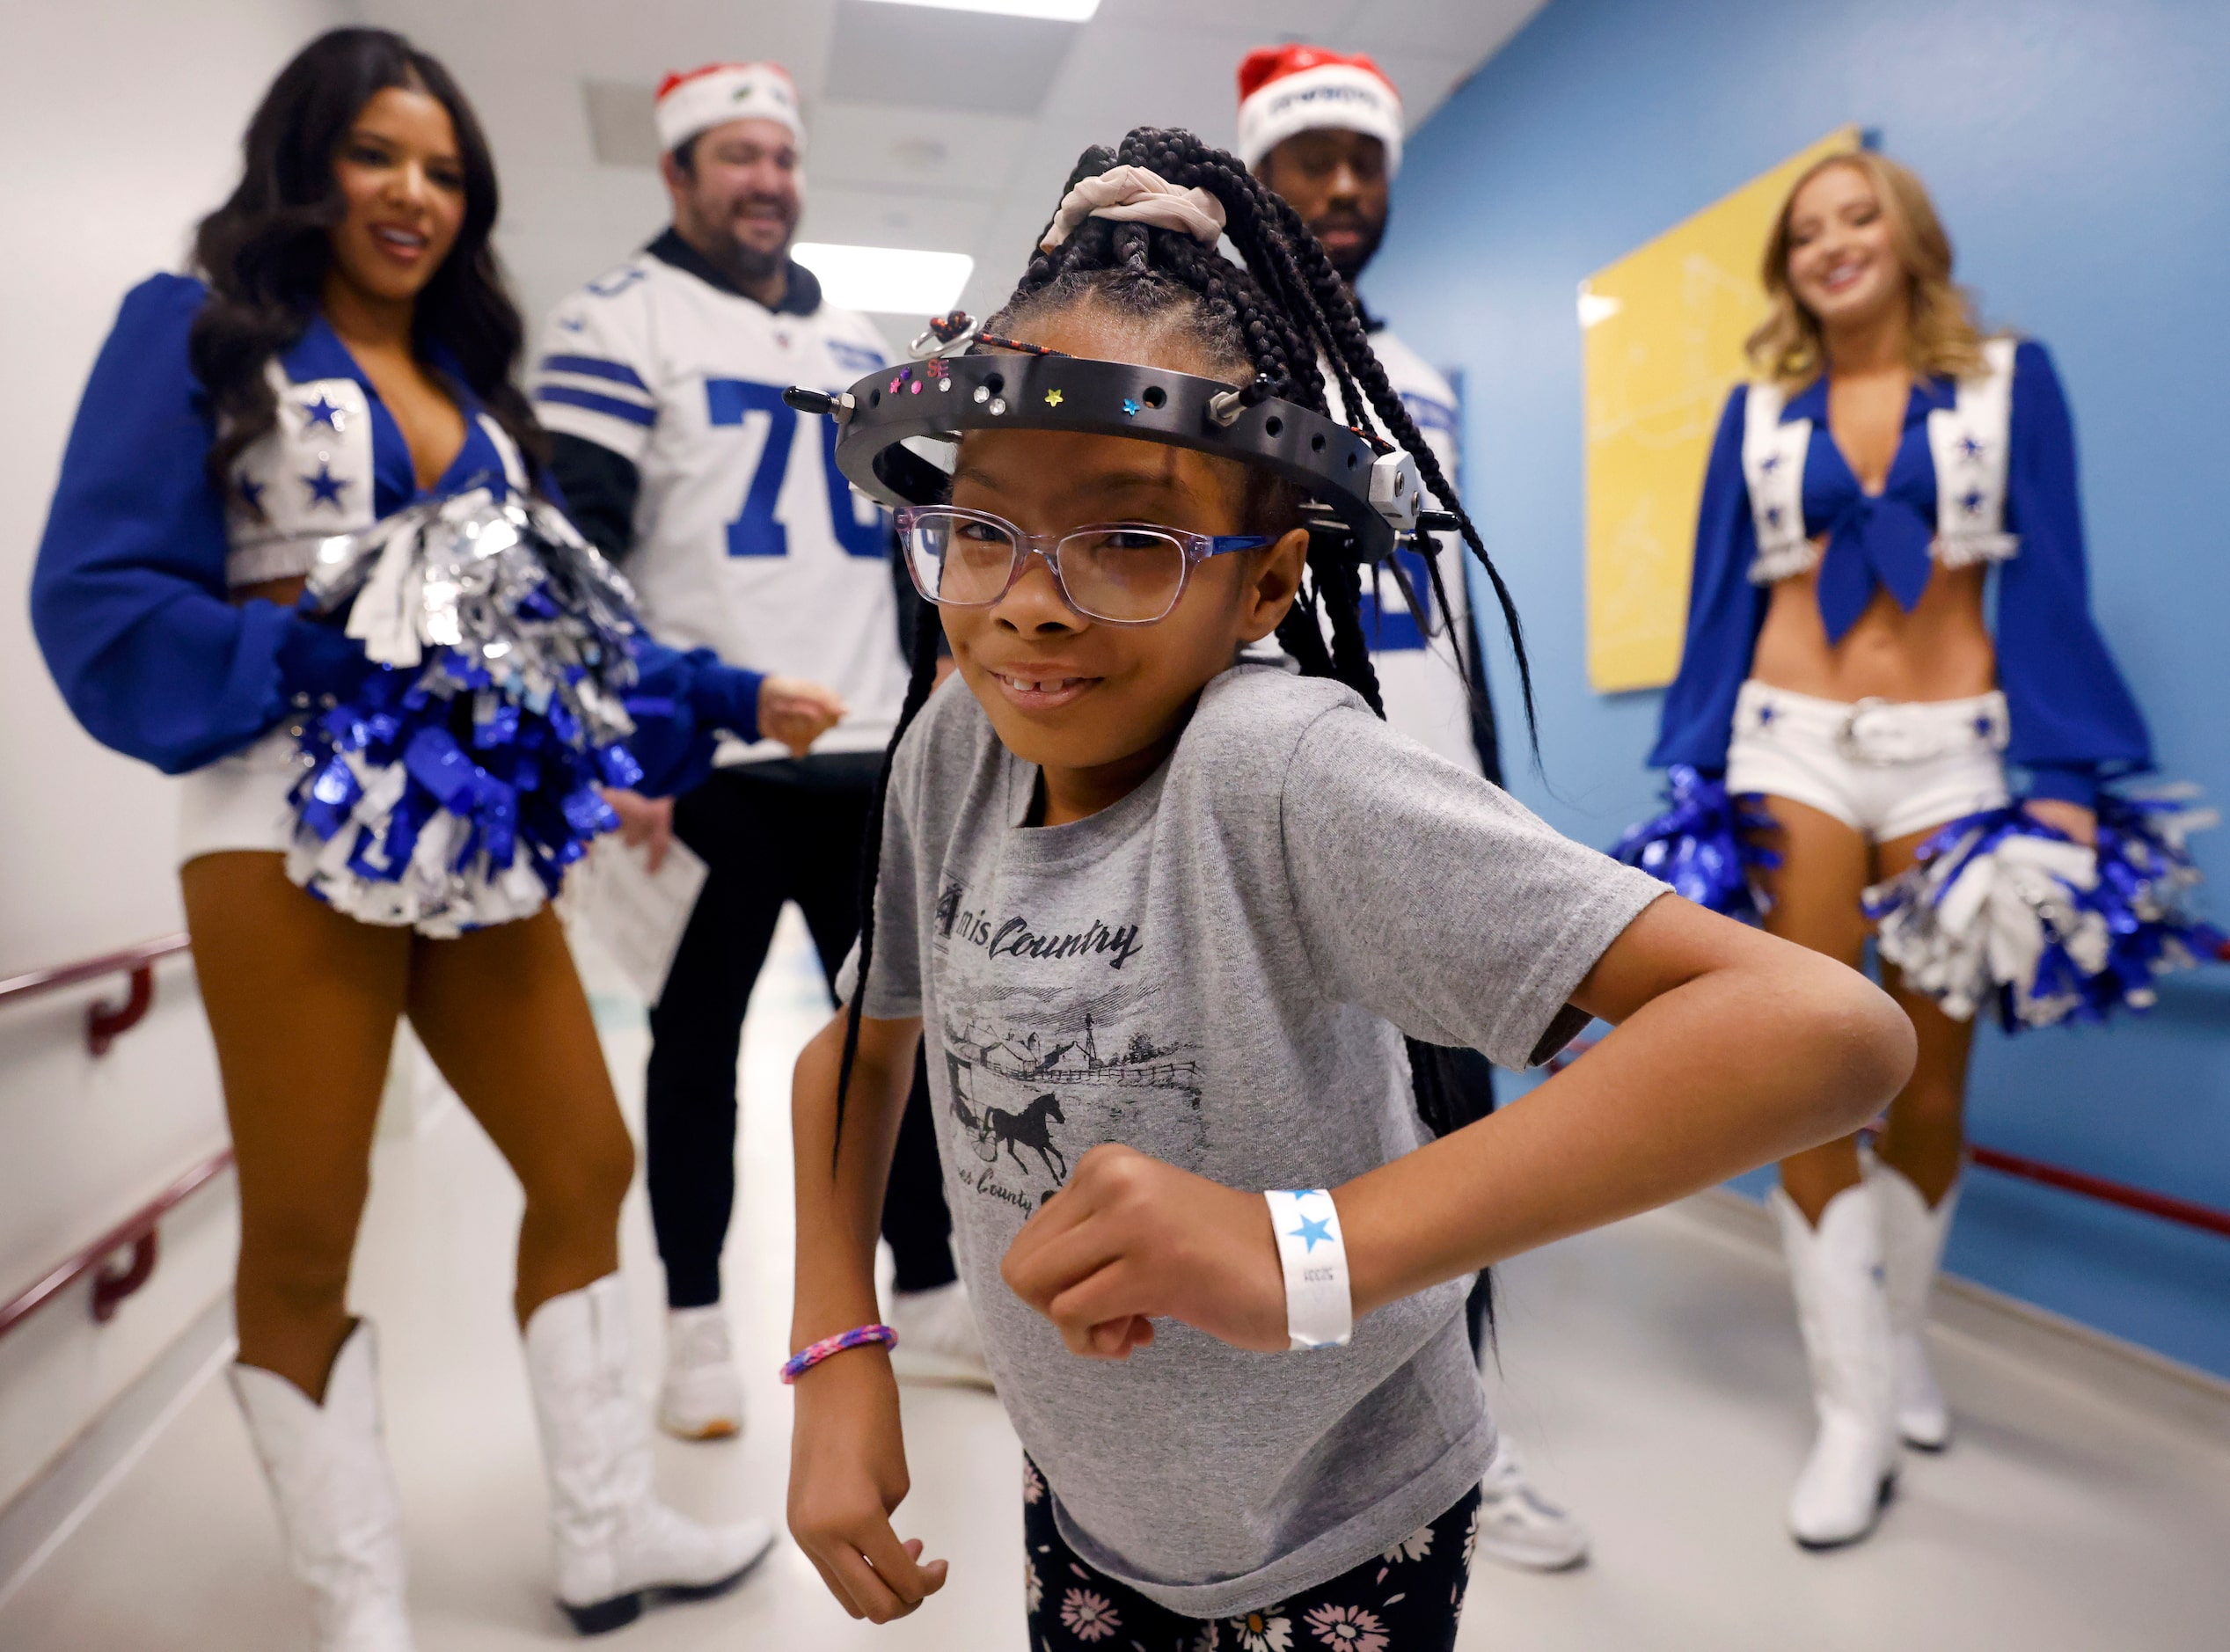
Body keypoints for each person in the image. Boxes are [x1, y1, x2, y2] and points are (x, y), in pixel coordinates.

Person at [782, 128, 1915, 1649]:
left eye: (1128, 537)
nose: (1030, 603)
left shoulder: (1285, 773)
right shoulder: (952, 754)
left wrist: (1301, 1250)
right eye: (982, 529)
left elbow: (1825, 1030)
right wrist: (835, 1344)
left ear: (1267, 581)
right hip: (1089, 1509)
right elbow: (854, 1053)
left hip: (1334, 1540)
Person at [29, 30, 777, 1645]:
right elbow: (93, 587)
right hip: (272, 830)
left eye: (444, 171)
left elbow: (564, 628)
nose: (415, 195)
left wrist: (715, 688)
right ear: (308, 162)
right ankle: (357, 1600)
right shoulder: (196, 333)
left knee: (586, 1157)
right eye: (379, 155)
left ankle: (600, 1535)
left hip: (481, 841)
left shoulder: (480, 401)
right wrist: (294, 648)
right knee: (307, 1227)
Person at [1647, 150, 2152, 1549]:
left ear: (1909, 234)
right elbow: (1711, 607)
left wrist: (2057, 775)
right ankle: (1851, 1409)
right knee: (1817, 1072)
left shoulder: (2009, 376)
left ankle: (1899, 1337)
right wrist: (1696, 794)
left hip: (1958, 748)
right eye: (1806, 231)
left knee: (1926, 1084)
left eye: (1856, 216)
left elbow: (2049, 568)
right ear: (1788, 268)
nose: (1832, 244)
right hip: (1787, 739)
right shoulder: (1755, 412)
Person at [534, 62, 988, 1436]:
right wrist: (616, 747)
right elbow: (574, 565)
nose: (766, 182)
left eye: (780, 158)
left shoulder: (859, 341)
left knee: (893, 1040)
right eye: (735, 157)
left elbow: (920, 557)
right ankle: (689, 1323)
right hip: (708, 766)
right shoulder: (612, 323)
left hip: (865, 757)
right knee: (693, 1048)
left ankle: (925, 1288)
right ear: (677, 174)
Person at [1239, 41, 1579, 1571]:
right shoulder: (1211, 348)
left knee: (1456, 1128)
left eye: (1364, 162)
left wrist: (1495, 797)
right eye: (1309, 160)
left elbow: (1446, 610)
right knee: (1288, 1122)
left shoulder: (1421, 370)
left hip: (1426, 798)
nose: (1341, 189)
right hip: (1275, 800)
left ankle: (1467, 1435)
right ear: (1256, 177)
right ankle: (1290, 1444)